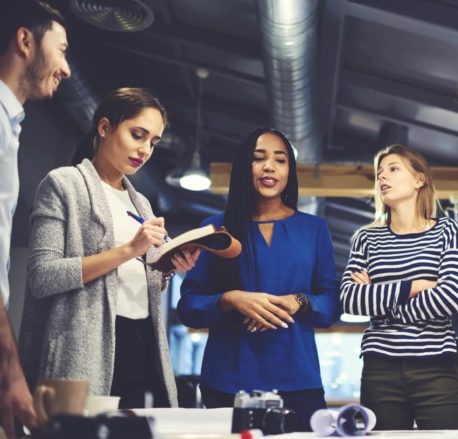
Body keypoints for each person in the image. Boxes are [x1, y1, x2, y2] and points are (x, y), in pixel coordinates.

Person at [18, 88, 199, 409]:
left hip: (143, 345)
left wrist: (167, 267)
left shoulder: (141, 203)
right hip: (84, 346)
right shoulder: (64, 184)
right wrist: (130, 249)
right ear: (104, 128)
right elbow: (42, 277)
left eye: (153, 143)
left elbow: (137, 280)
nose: (144, 150)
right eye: (138, 135)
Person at [177, 128, 339, 432]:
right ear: (243, 167)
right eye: (258, 158)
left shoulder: (314, 229)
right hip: (228, 382)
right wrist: (230, 299)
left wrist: (299, 301)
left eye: (280, 160)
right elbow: (188, 307)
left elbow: (331, 304)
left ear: (289, 171)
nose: (269, 167)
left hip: (298, 381)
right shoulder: (214, 229)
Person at [340, 144, 458, 430]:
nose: (382, 177)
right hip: (380, 368)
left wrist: (382, 306)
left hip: (437, 364)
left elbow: (452, 297)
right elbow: (350, 299)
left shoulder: (446, 230)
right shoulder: (366, 238)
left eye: (393, 169)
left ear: (419, 180)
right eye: (379, 173)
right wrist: (415, 286)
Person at [0, 1, 71, 436]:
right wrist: (12, 374)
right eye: (61, 50)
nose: (65, 68)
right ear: (25, 40)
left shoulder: (12, 126)